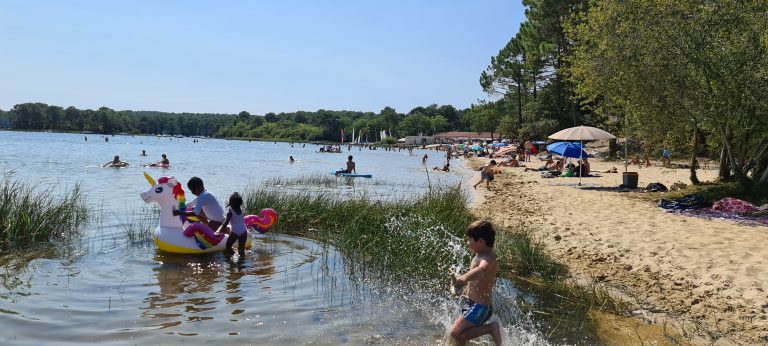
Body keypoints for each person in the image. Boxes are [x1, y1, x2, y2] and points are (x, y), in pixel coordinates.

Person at [449, 220, 501, 345]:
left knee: (455, 334)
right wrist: (463, 289)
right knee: (461, 335)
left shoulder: (487, 258)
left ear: (481, 241)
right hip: (473, 303)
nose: (467, 242)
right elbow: (477, 281)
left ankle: (491, 328)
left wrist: (463, 278)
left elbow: (480, 271)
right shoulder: (480, 254)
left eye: (469, 239)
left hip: (480, 307)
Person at [218, 192, 248, 258]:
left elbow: (225, 223)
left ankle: (231, 259)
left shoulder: (230, 212)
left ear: (231, 203)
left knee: (228, 247)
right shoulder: (241, 210)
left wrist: (219, 232)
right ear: (240, 204)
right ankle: (241, 263)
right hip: (244, 231)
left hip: (235, 232)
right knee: (241, 249)